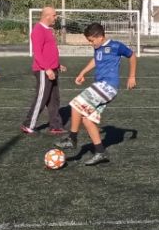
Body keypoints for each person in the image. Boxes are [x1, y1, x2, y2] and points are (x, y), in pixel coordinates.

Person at [57, 23, 138, 165]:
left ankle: (72, 138)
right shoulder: (98, 48)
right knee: (87, 120)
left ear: (100, 37)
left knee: (76, 104)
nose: (90, 43)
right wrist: (82, 73)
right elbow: (96, 60)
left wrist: (132, 77)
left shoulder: (116, 46)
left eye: (91, 40)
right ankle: (100, 152)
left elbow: (132, 56)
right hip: (101, 86)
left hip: (107, 86)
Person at [22, 6, 67, 135]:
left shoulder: (49, 30)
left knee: (54, 99)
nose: (56, 17)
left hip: (52, 69)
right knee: (41, 98)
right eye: (54, 15)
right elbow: (38, 53)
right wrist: (47, 69)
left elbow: (49, 51)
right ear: (47, 16)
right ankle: (28, 125)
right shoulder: (38, 30)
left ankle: (55, 125)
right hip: (43, 71)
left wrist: (57, 65)